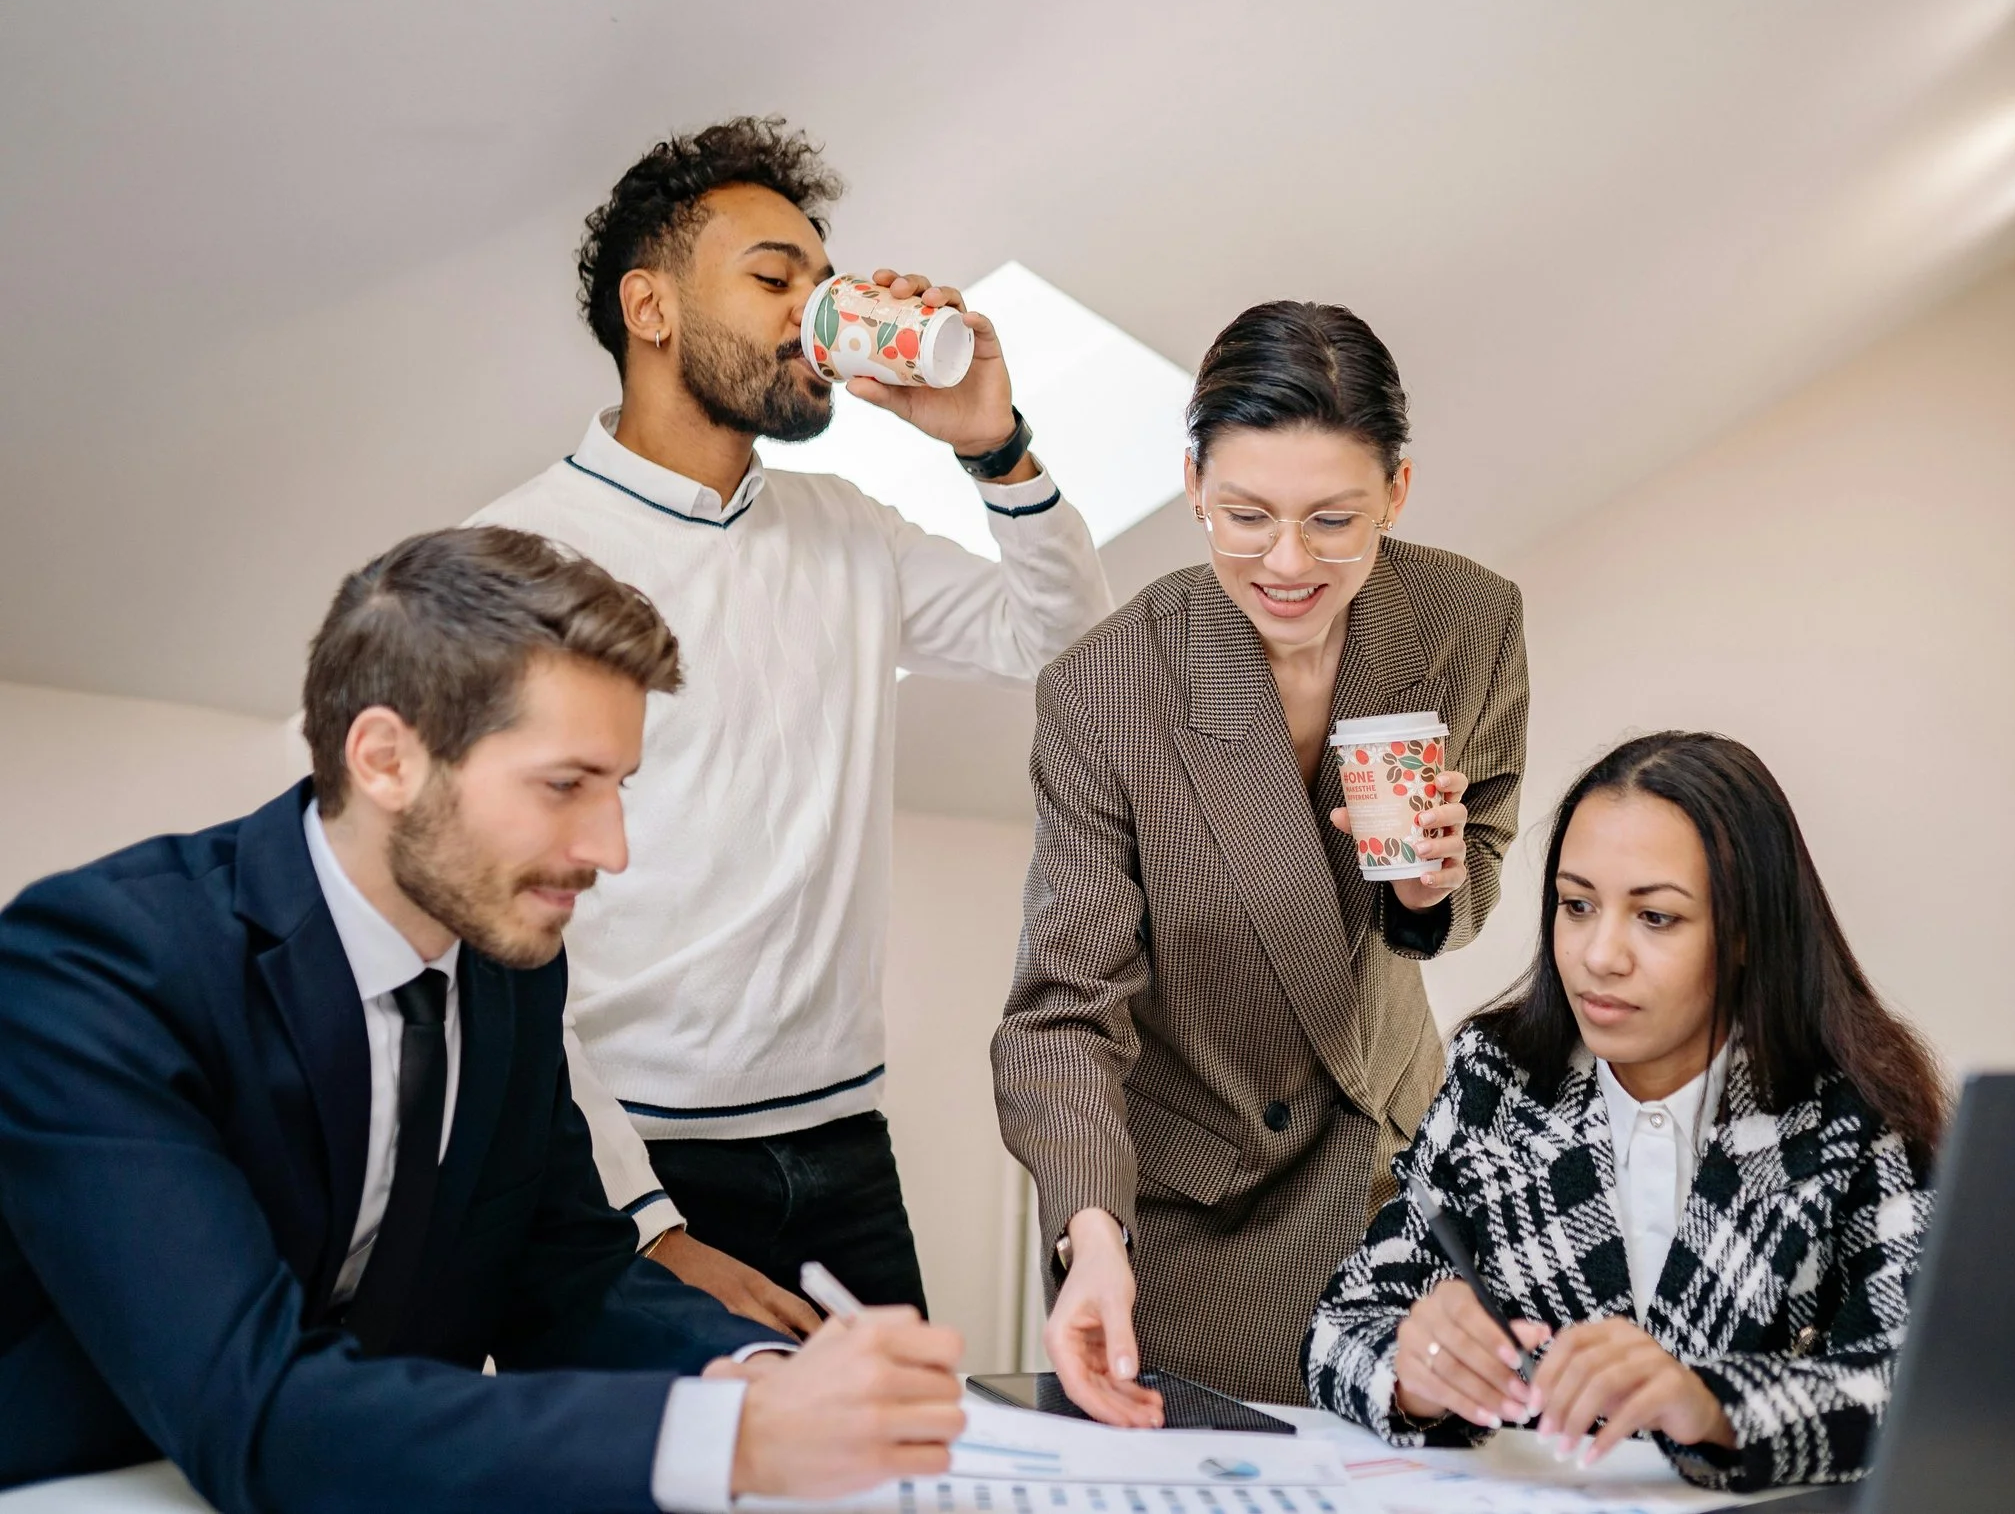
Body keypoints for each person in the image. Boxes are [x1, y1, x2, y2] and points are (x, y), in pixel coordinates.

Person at [0, 528, 965, 1511]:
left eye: (618, 787)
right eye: (564, 784)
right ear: (384, 759)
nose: (611, 847)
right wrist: (732, 1439)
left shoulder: (508, 971)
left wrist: (754, 1373)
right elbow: (253, 1406)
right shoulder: (96, 963)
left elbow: (570, 1277)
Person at [470, 118, 1112, 1333]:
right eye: (775, 279)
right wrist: (643, 1219)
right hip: (623, 1158)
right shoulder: (514, 558)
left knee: (901, 1479)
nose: (811, 309)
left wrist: (994, 443)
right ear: (649, 308)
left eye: (823, 281)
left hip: (844, 1147)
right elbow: (482, 933)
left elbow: (1068, 648)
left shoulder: (845, 526)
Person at [992, 301, 1531, 1419]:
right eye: (1244, 515)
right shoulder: (1106, 689)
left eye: (1335, 519)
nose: (1288, 563)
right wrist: (1090, 1230)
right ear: (1190, 482)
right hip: (1200, 1213)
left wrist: (1433, 887)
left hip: (1399, 1176)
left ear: (1397, 490)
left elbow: (1476, 849)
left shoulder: (1466, 619)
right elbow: (1063, 1009)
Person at [1303, 731, 1948, 1493]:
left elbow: (1920, 1383)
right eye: (1577, 905)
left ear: (1746, 933)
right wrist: (1415, 1368)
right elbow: (1340, 1327)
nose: (1599, 953)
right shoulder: (1496, 1078)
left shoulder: (1850, 1109)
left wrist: (1710, 1404)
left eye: (1656, 918)